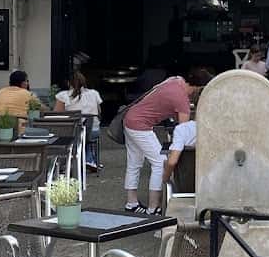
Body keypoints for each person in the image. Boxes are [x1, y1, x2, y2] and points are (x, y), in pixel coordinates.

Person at [123, 70, 212, 215]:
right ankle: (154, 207)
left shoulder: (175, 80)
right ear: (199, 88)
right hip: (141, 125)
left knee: (134, 163)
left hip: (130, 118)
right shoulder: (182, 101)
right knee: (160, 161)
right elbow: (184, 130)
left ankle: (131, 203)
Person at [55, 71, 103, 167]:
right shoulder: (94, 93)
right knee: (85, 134)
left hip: (72, 133)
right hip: (93, 131)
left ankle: (78, 160)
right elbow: (99, 111)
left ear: (68, 83)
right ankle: (89, 160)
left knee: (78, 133)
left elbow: (57, 115)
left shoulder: (63, 95)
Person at [162, 119, 197, 185]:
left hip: (186, 184)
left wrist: (165, 179)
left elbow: (172, 162)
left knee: (166, 162)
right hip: (216, 184)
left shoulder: (184, 129)